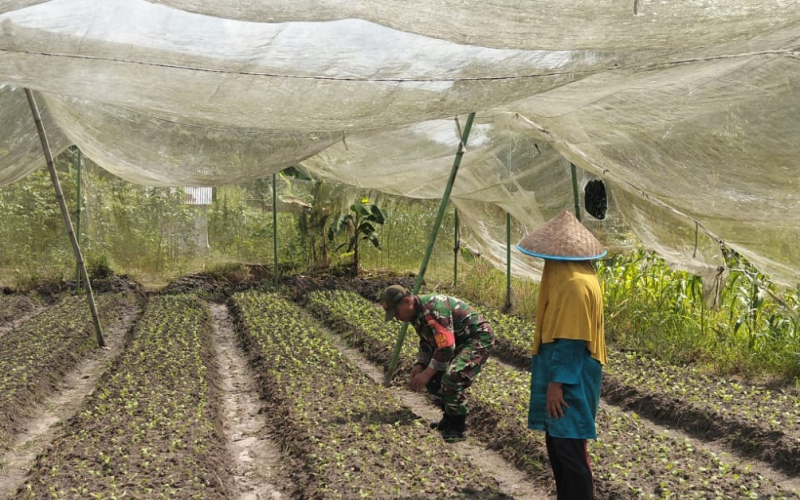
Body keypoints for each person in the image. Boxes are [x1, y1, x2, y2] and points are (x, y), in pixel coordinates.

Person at [516, 210, 607, 500]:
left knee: (570, 449)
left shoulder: (574, 285)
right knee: (558, 444)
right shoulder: (581, 276)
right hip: (564, 370)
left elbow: (571, 339)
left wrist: (556, 385)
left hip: (570, 377)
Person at [379, 285, 494, 442]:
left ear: (407, 301)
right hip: (457, 341)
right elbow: (428, 341)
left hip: (476, 339)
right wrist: (420, 365)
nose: (398, 318)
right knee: (433, 379)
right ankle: (449, 417)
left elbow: (446, 347)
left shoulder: (433, 309)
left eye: (397, 313)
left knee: (453, 376)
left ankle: (458, 427)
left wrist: (426, 373)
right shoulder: (415, 314)